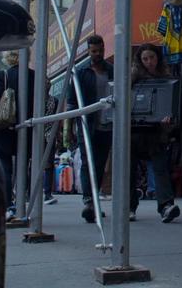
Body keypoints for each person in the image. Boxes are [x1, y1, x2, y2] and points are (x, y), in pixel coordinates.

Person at [130, 43, 181, 223]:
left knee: (161, 169)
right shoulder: (133, 75)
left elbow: (171, 104)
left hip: (156, 132)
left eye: (152, 57)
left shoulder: (165, 77)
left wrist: (168, 120)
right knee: (129, 171)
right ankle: (129, 207)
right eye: (145, 58)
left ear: (157, 57)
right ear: (140, 60)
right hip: (134, 131)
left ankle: (166, 206)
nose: (149, 62)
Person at [68, 35, 114, 223]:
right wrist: (69, 127)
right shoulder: (80, 72)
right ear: (88, 51)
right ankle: (89, 202)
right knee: (88, 163)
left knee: (100, 164)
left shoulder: (111, 70)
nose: (98, 54)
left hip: (107, 124)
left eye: (100, 50)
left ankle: (94, 202)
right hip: (87, 123)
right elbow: (72, 101)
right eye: (94, 51)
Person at [0, 51, 35, 221]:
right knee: (23, 167)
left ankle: (8, 205)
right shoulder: (34, 76)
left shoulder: (3, 75)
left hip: (5, 129)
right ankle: (23, 201)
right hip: (27, 129)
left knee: (4, 167)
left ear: (8, 58)